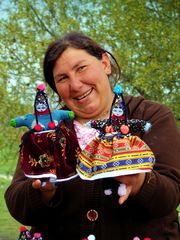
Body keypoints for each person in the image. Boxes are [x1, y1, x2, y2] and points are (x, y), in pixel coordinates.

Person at [5, 31, 180, 240]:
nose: (76, 85)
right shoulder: (48, 131)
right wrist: (42, 192)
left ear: (105, 64)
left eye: (81, 68)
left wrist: (141, 182)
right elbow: (17, 204)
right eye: (62, 78)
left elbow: (171, 196)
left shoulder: (151, 116)